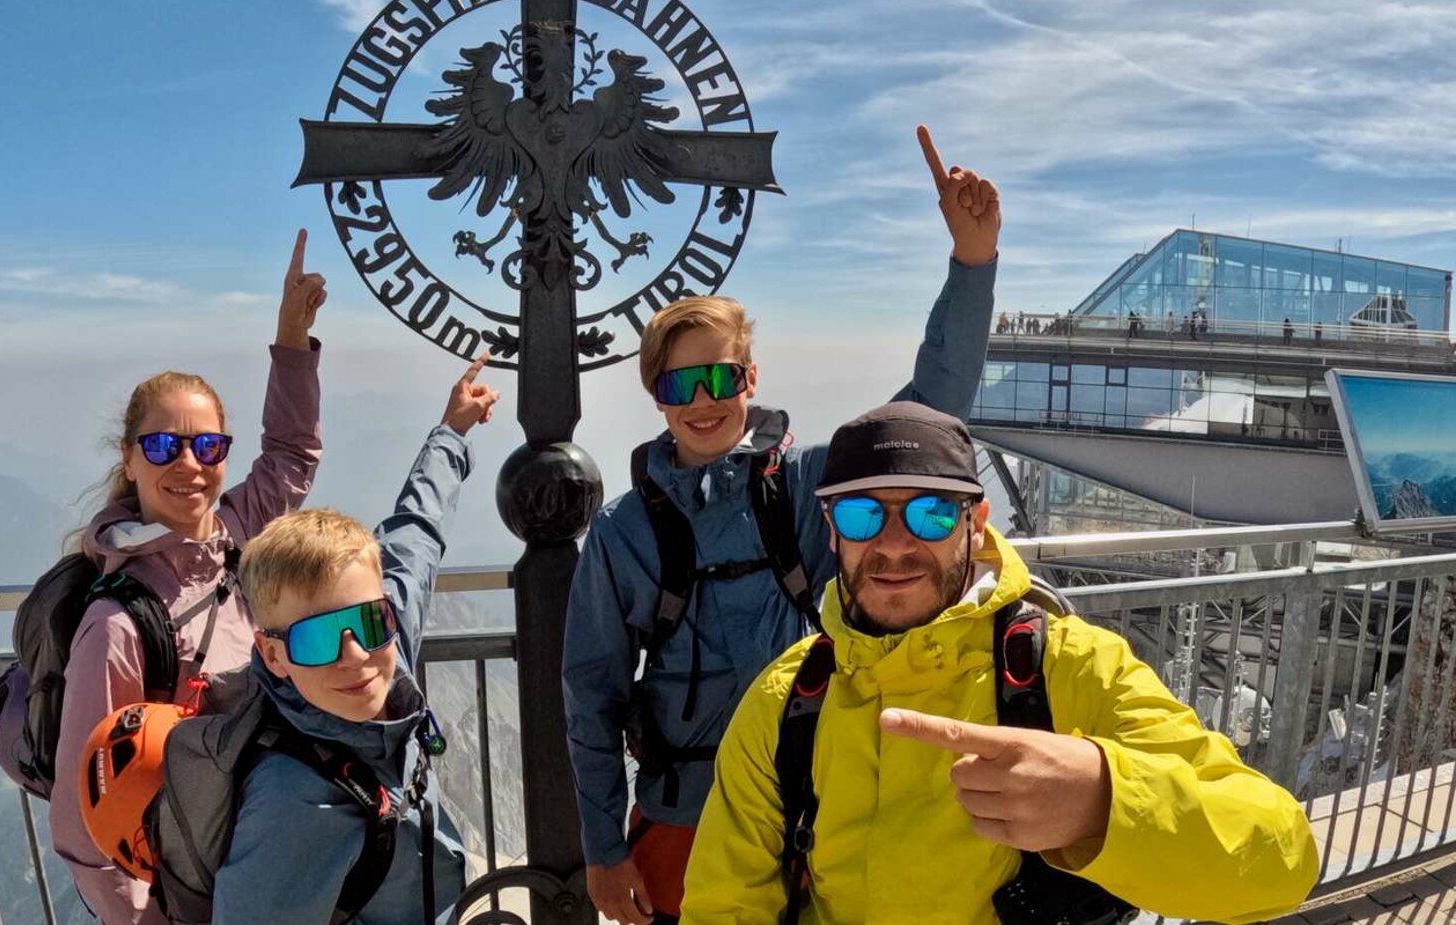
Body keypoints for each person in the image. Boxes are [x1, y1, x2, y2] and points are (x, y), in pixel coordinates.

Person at [563, 124, 1001, 925]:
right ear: (656, 395)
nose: (703, 401)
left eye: (720, 376)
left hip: (818, 795)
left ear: (750, 377)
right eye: (680, 384)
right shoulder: (625, 531)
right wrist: (602, 848)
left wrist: (972, 265)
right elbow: (591, 692)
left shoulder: (808, 483)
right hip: (686, 815)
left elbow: (924, 419)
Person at [682, 402, 1319, 924]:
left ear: (977, 524)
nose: (895, 543)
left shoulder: (1071, 666)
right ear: (831, 530)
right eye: (861, 513)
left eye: (931, 512)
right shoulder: (788, 696)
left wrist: (1106, 801)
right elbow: (724, 905)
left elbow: (1281, 865)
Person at [51, 230, 328, 923]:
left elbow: (291, 456)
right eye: (162, 446)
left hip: (264, 858)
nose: (189, 465)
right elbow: (83, 820)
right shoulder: (117, 627)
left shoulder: (233, 536)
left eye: (207, 445)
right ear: (129, 458)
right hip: (193, 893)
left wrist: (291, 339)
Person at [217, 355, 500, 924]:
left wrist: (452, 432)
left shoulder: (387, 644)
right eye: (316, 638)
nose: (355, 655)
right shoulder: (291, 804)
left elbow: (417, 532)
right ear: (273, 655)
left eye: (368, 622)